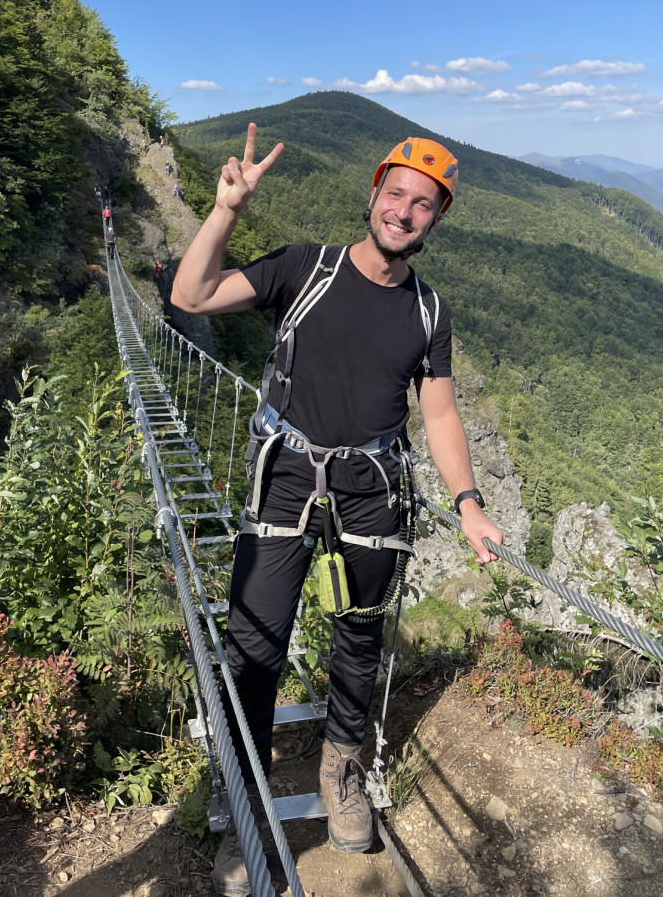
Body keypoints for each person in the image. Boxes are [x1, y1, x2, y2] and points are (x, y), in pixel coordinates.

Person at [170, 125, 503, 897]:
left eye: (425, 204)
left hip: (373, 485)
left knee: (360, 638)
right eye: (397, 194)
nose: (406, 211)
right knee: (255, 644)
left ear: (436, 220)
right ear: (373, 196)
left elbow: (442, 414)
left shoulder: (428, 312)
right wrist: (223, 212)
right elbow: (190, 296)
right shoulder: (303, 267)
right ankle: (250, 805)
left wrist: (470, 502)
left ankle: (340, 770)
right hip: (285, 473)